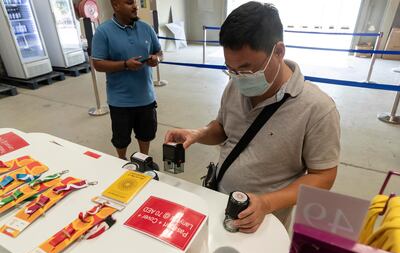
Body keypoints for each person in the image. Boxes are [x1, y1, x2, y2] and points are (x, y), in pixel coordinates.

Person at [165, 1, 340, 233]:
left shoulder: (317, 109)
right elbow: (224, 128)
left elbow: (323, 175)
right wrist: (198, 134)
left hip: (264, 223)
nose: (239, 78)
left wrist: (267, 203)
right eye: (231, 69)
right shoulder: (235, 85)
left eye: (247, 69)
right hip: (219, 203)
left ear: (278, 51)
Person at [92, 0, 162, 160]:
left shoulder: (146, 28)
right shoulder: (103, 32)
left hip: (146, 97)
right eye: (129, 3)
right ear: (116, 6)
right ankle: (121, 162)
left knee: (146, 133)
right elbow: (98, 64)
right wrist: (125, 65)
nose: (135, 6)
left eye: (135, 2)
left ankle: (144, 159)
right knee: (121, 138)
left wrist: (156, 59)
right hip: (120, 101)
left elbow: (159, 52)